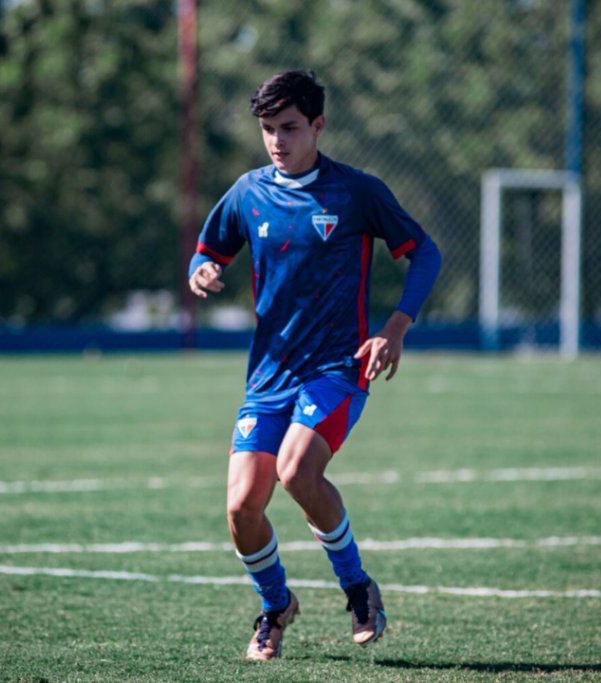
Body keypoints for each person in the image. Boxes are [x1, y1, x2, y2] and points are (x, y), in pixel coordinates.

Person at [188, 70, 442, 661]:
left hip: (336, 367)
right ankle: (275, 605)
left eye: (290, 128)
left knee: (298, 471)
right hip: (268, 375)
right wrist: (201, 270)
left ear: (318, 126)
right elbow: (209, 250)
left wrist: (395, 328)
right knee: (241, 506)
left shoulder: (356, 192)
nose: (277, 140)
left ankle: (357, 587)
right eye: (268, 129)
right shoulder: (249, 193)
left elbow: (422, 251)